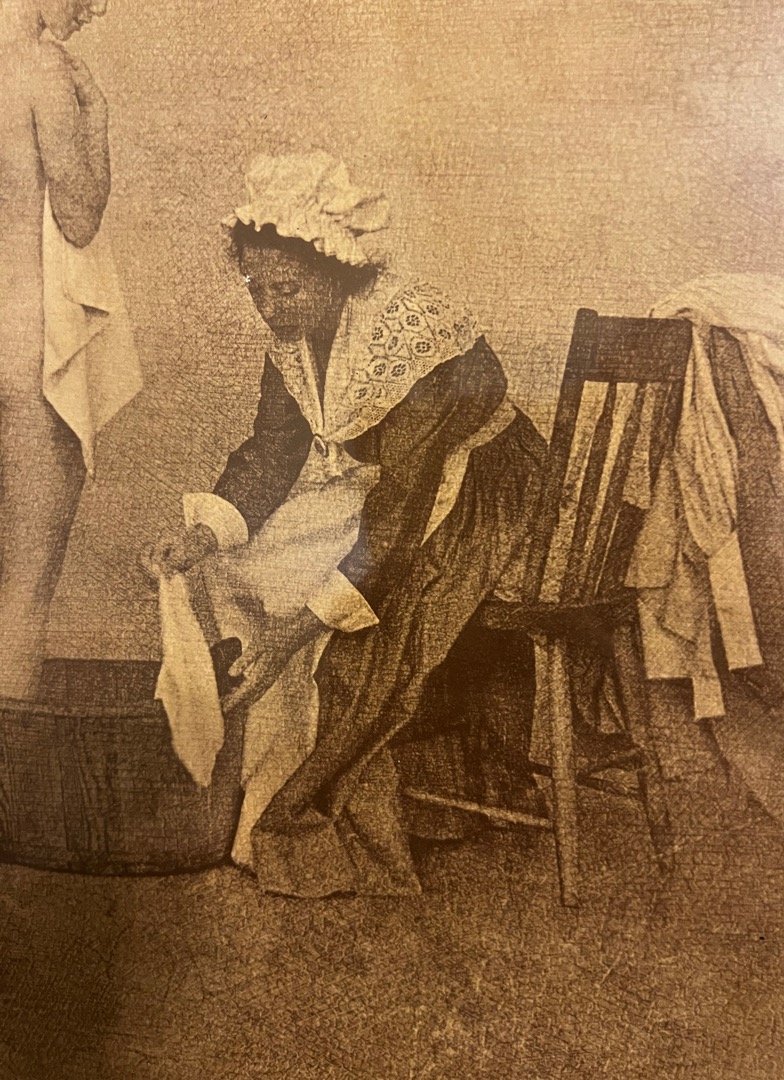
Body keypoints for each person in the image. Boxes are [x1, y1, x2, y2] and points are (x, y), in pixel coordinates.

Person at [146, 151, 549, 896]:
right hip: (404, 487)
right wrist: (202, 536)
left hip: (486, 490)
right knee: (243, 566)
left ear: (336, 269)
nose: (271, 307)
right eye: (257, 288)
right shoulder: (295, 337)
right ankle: (251, 786)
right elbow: (273, 450)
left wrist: (298, 627)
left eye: (287, 288)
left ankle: (312, 804)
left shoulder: (411, 338)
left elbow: (398, 524)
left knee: (359, 634)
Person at [0, 0, 110, 698]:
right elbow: (78, 215)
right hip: (20, 348)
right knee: (23, 589)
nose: (96, 7)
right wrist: (97, 118)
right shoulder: (40, 70)